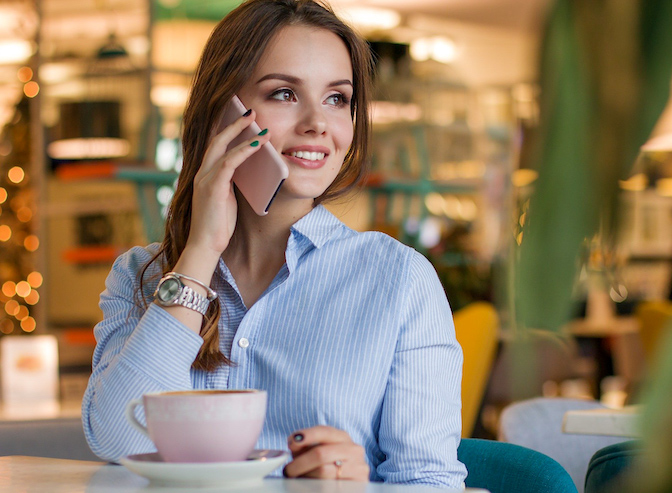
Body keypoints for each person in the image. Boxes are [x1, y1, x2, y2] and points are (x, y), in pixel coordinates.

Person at [81, 0, 465, 487]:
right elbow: (118, 440)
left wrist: (362, 485)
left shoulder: (398, 279)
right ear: (223, 111)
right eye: (284, 93)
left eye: (337, 99)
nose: (317, 123)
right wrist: (200, 251)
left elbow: (432, 482)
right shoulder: (143, 275)